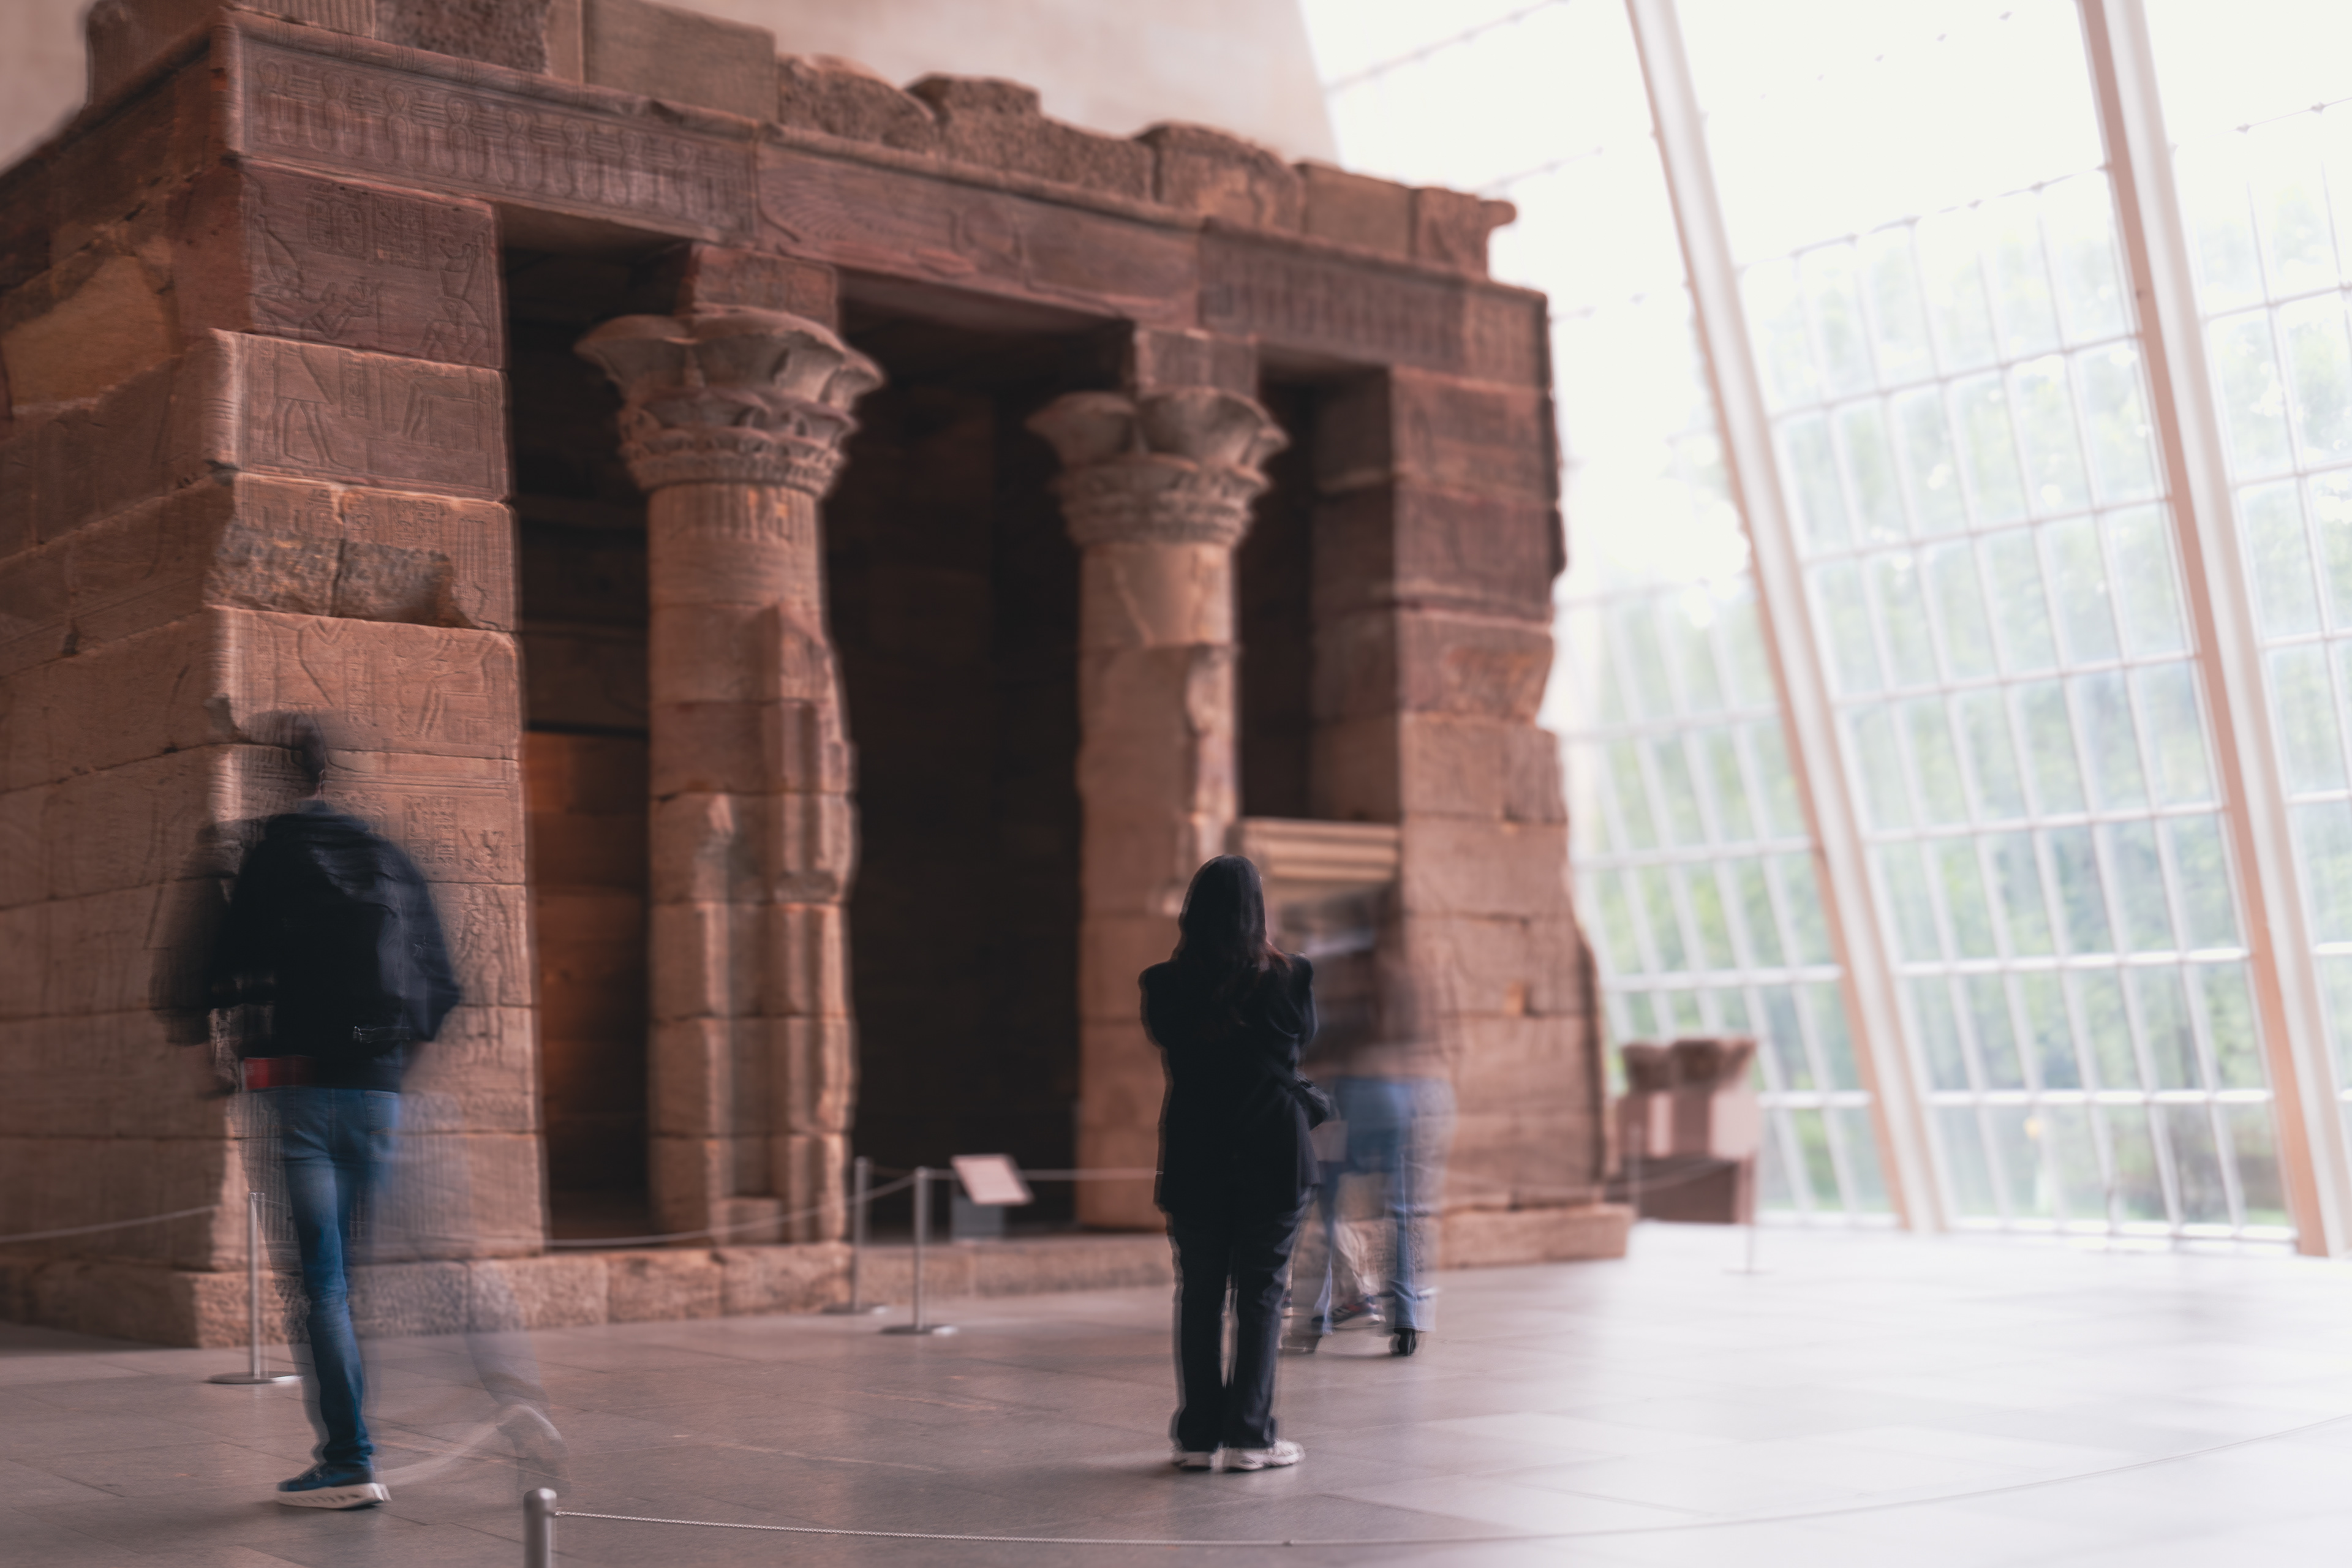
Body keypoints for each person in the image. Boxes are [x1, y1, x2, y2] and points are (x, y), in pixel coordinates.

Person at [205, 714, 460, 1509]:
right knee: (349, 1276)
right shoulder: (389, 856)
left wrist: (216, 1059)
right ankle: (357, 1448)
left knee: (323, 1286)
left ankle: (349, 1458)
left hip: (299, 1089)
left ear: (280, 775)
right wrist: (390, 1069)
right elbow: (442, 987)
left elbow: (212, 970)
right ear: (335, 775)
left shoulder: (268, 855)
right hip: (377, 1090)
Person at [1143, 855, 1320, 1474]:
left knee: (1199, 1297)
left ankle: (1197, 1438)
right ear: (1258, 911)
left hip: (1196, 1156)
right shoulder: (1292, 977)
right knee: (1263, 1297)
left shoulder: (1161, 984)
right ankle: (1250, 1436)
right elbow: (1299, 1044)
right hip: (1275, 1154)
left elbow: (1181, 1046)